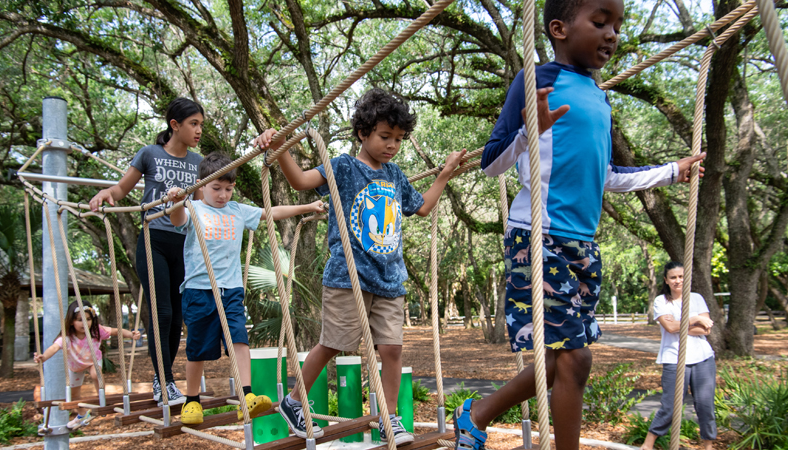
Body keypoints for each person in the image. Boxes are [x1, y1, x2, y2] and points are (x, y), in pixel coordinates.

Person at [451, 0, 709, 448]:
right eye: (601, 22)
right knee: (578, 358)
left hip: (582, 243)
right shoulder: (537, 80)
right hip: (538, 235)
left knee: (564, 360)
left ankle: (476, 413)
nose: (612, 34)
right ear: (559, 29)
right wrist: (529, 128)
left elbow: (608, 174)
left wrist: (672, 171)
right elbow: (491, 163)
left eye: (618, 26)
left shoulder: (599, 96)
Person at [273, 88, 465, 443]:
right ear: (363, 133)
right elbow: (299, 181)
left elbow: (421, 207)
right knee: (333, 344)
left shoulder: (394, 174)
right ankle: (294, 401)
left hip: (390, 278)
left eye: (399, 139)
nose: (392, 145)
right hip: (349, 277)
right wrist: (279, 148)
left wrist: (446, 174)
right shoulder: (343, 167)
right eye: (384, 136)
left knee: (392, 348)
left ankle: (388, 417)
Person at [167, 150, 326, 425]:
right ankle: (192, 400)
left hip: (231, 290)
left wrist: (307, 207)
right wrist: (176, 200)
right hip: (199, 290)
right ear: (202, 184)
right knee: (197, 348)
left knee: (240, 341)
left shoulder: (237, 210)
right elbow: (176, 218)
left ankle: (246, 397)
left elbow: (271, 213)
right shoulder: (194, 209)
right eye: (216, 188)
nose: (222, 195)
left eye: (228, 189)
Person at [89, 98, 205, 406]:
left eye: (201, 125)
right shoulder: (149, 154)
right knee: (162, 312)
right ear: (175, 125)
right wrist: (106, 193)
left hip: (185, 244)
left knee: (178, 314)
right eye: (193, 124)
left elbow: (210, 199)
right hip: (153, 239)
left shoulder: (198, 163)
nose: (199, 131)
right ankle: (163, 381)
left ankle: (165, 379)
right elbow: (120, 189)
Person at [641, 261, 716, 450]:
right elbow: (670, 327)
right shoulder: (661, 301)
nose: (677, 281)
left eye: (681, 276)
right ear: (666, 280)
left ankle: (708, 446)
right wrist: (695, 319)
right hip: (674, 359)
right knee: (670, 407)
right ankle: (647, 445)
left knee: (705, 406)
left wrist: (682, 324)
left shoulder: (697, 298)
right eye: (673, 277)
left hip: (703, 359)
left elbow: (705, 330)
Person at [34, 301, 140, 429]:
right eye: (80, 320)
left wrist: (131, 334)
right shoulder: (68, 337)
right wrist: (43, 357)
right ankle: (82, 414)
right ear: (72, 321)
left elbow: (115, 331)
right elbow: (54, 347)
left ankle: (101, 397)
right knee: (74, 396)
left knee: (96, 374)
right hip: (75, 366)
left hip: (93, 361)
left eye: (88, 319)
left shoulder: (96, 331)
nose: (85, 323)